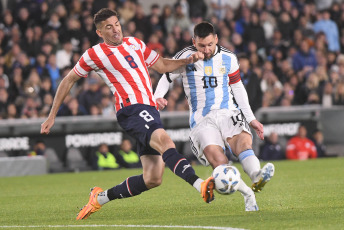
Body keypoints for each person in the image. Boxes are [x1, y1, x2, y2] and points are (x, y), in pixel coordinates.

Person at [40, 8, 215, 220]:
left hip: (148, 108)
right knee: (165, 141)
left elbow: (162, 65)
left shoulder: (135, 43)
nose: (115, 30)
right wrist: (52, 115)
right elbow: (68, 80)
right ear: (99, 33)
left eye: (116, 24)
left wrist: (187, 61)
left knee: (153, 178)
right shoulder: (94, 54)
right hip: (131, 109)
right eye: (108, 27)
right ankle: (200, 185)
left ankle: (99, 198)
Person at [154, 22, 275, 211]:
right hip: (202, 120)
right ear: (194, 42)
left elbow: (237, 87)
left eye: (210, 44)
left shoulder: (228, 58)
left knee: (243, 143)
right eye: (202, 45)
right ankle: (248, 194)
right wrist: (157, 97)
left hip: (228, 112)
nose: (206, 49)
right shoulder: (185, 57)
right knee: (219, 162)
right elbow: (166, 77)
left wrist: (251, 119)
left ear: (216, 39)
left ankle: (256, 176)